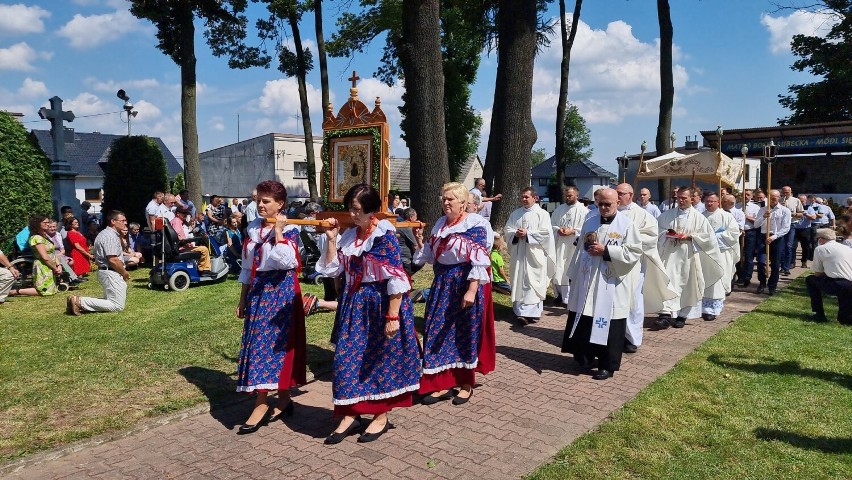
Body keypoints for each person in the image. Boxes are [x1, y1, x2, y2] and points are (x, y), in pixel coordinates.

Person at [317, 183, 421, 444]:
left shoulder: (384, 236)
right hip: (355, 303)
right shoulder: (350, 236)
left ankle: (379, 416)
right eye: (350, 209)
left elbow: (396, 278)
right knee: (346, 359)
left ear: (371, 211)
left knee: (379, 360)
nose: (352, 215)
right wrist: (331, 239)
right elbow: (332, 270)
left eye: (356, 210)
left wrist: (393, 316)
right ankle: (350, 415)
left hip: (379, 304)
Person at [234, 180, 307, 434]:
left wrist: (278, 232)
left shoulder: (291, 230)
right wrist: (243, 298)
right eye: (259, 200)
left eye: (266, 201)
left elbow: (287, 262)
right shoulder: (252, 228)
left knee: (278, 347)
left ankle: (268, 400)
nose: (261, 204)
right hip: (259, 291)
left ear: (280, 204)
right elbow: (246, 266)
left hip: (282, 292)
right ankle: (270, 399)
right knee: (258, 346)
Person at [413, 182, 495, 407]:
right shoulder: (440, 223)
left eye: (451, 199)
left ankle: (465, 384)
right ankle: (441, 382)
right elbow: (429, 256)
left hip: (464, 282)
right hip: (442, 282)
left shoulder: (475, 224)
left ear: (463, 203)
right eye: (443, 198)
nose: (446, 202)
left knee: (463, 332)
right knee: (436, 329)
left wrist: (471, 290)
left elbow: (479, 259)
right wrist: (420, 241)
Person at [561, 188, 642, 380]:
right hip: (589, 279)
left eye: (608, 204)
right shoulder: (590, 221)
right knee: (586, 317)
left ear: (618, 204)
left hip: (611, 281)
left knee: (610, 323)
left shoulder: (627, 225)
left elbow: (634, 253)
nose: (604, 208)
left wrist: (607, 251)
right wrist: (574, 274)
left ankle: (607, 365)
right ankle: (585, 357)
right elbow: (581, 248)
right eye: (601, 204)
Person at [614, 183, 674, 352]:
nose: (617, 196)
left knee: (632, 301)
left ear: (630, 195)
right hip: (610, 264)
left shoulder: (642, 215)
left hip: (633, 265)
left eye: (621, 193)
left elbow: (650, 237)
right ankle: (613, 336)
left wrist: (626, 242)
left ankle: (632, 338)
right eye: (616, 193)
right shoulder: (609, 212)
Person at [655, 187, 724, 329]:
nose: (680, 200)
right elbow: (657, 230)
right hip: (670, 255)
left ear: (691, 199)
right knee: (667, 283)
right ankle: (665, 315)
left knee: (687, 285)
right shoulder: (667, 215)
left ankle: (682, 316)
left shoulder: (699, 218)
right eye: (678, 197)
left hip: (689, 256)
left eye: (684, 198)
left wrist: (691, 236)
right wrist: (665, 234)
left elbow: (709, 238)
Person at [504, 186, 556, 325]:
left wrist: (528, 234)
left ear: (535, 198)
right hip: (519, 255)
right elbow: (507, 229)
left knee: (533, 282)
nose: (524, 199)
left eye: (527, 197)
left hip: (535, 255)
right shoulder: (515, 214)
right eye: (522, 197)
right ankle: (521, 313)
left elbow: (546, 234)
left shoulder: (542, 214)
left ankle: (532, 313)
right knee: (520, 281)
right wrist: (515, 233)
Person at [68, 211, 131, 315]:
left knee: (111, 299)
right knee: (117, 305)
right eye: (123, 221)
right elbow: (113, 260)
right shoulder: (110, 236)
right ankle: (79, 301)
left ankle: (80, 303)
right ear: (113, 221)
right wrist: (124, 272)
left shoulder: (106, 234)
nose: (125, 223)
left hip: (106, 271)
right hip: (110, 272)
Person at [700, 194, 741, 321]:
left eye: (712, 201)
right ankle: (701, 308)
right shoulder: (700, 217)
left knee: (717, 280)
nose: (709, 204)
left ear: (718, 202)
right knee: (703, 280)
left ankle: (712, 309)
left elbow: (734, 233)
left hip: (721, 253)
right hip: (704, 254)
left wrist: (713, 237)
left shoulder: (726, 216)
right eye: (707, 201)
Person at [550, 186, 589, 306]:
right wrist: (558, 230)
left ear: (577, 196)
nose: (567, 197)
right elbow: (551, 225)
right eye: (566, 195)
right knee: (558, 268)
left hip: (574, 245)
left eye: (570, 195)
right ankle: (559, 294)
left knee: (570, 269)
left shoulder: (584, 211)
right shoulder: (559, 209)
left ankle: (570, 296)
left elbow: (587, 228)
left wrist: (573, 231)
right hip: (560, 244)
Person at [807, 228, 852, 325]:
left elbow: (818, 273)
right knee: (845, 319)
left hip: (836, 283)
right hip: (849, 283)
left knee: (810, 280)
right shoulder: (847, 248)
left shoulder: (820, 249)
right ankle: (846, 317)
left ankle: (819, 313)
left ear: (821, 239)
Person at [10, 215, 62, 297]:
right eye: (45, 222)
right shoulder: (36, 238)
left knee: (51, 290)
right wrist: (55, 268)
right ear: (37, 224)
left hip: (50, 266)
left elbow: (52, 252)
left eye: (48, 222)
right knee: (43, 291)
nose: (48, 224)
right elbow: (45, 257)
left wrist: (58, 265)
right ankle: (13, 292)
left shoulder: (44, 236)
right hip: (42, 266)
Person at [754, 189, 792, 296]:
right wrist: (763, 217)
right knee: (761, 262)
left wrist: (774, 237)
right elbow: (756, 225)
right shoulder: (762, 210)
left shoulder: (785, 211)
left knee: (775, 264)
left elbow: (786, 228)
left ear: (779, 197)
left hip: (777, 238)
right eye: (771, 198)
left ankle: (772, 286)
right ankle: (762, 283)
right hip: (763, 237)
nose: (773, 200)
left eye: (775, 198)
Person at [171, 207, 212, 274]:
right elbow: (178, 236)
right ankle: (203, 270)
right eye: (184, 213)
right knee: (204, 249)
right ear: (177, 213)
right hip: (180, 248)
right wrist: (187, 242)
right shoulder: (177, 222)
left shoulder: (177, 221)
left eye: (186, 213)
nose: (186, 215)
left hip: (179, 246)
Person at [738, 188, 765, 287]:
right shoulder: (737, 206)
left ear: (752, 196)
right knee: (739, 255)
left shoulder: (755, 207)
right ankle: (739, 275)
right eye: (744, 194)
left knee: (748, 256)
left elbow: (758, 222)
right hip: (738, 233)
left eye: (748, 195)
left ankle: (747, 278)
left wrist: (747, 217)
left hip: (751, 232)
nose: (745, 196)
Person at [779, 186, 804, 275]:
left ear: (790, 192)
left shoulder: (796, 200)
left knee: (789, 246)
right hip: (781, 225)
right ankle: (782, 266)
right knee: (781, 246)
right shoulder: (779, 200)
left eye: (787, 193)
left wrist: (794, 214)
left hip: (791, 224)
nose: (785, 194)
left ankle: (787, 267)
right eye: (784, 192)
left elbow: (801, 213)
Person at [794, 194, 817, 268]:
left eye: (802, 201)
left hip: (805, 229)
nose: (801, 202)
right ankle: (792, 262)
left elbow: (814, 217)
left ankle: (804, 261)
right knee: (792, 246)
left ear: (805, 201)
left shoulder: (809, 208)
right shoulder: (794, 207)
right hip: (794, 228)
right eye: (800, 201)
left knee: (805, 246)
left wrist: (805, 214)